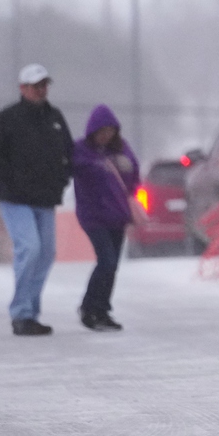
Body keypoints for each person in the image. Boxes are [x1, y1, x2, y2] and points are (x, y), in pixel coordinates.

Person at [0, 64, 74, 336]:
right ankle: (21, 313)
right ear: (23, 88)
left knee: (45, 254)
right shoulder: (4, 119)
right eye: (36, 86)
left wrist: (62, 178)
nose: (41, 90)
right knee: (30, 248)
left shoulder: (55, 118)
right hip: (15, 198)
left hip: (45, 198)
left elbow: (68, 151)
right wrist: (12, 180)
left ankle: (30, 312)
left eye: (44, 85)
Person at [72, 105, 140, 332]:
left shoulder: (122, 149)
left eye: (110, 131)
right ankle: (88, 308)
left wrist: (126, 169)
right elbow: (76, 168)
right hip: (94, 216)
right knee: (107, 261)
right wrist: (97, 166)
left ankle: (102, 310)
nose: (105, 135)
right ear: (93, 131)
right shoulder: (81, 150)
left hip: (118, 215)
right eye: (102, 131)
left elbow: (134, 175)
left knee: (111, 266)